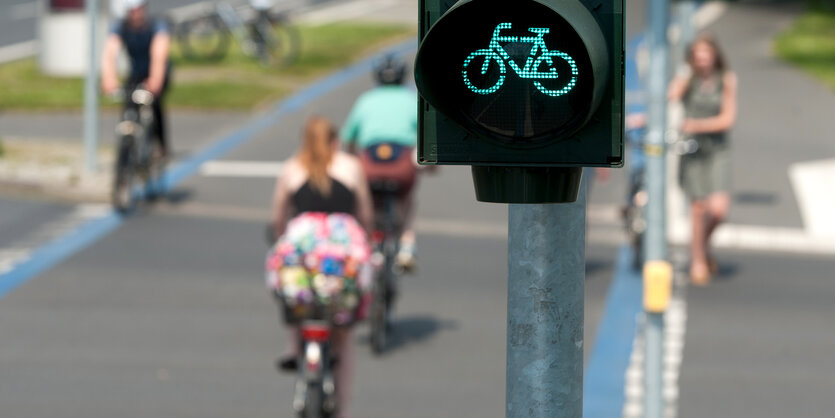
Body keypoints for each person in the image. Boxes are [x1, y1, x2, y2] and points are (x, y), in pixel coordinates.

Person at [269, 116, 373, 418]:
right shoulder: (350, 166)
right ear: (335, 140)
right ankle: (342, 408)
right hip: (342, 264)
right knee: (343, 338)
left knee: (290, 292)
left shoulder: (292, 167)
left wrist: (280, 236)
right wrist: (365, 235)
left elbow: (278, 217)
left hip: (302, 262)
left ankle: (293, 347)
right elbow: (365, 211)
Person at [668, 34, 738, 286]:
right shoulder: (689, 78)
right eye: (697, 55)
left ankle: (703, 246)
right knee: (698, 208)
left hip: (717, 149)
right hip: (693, 149)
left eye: (706, 54)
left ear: (715, 54)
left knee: (719, 210)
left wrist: (696, 124)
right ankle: (697, 259)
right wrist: (685, 74)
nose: (702, 59)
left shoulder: (726, 80)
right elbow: (670, 98)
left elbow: (727, 119)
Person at [340, 55, 420, 270]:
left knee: (366, 203)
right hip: (402, 165)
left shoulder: (366, 100)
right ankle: (406, 245)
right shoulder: (412, 99)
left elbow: (348, 139)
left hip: (370, 165)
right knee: (407, 201)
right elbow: (426, 137)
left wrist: (352, 160)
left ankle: (366, 245)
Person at [101, 0, 172, 157]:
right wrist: (109, 78)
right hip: (136, 73)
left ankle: (161, 146)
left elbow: (159, 54)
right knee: (129, 106)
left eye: (138, 9)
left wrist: (155, 80)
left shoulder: (156, 24)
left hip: (156, 71)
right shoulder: (121, 26)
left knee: (154, 103)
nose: (135, 14)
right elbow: (110, 52)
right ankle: (125, 153)